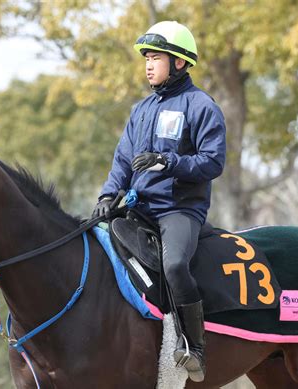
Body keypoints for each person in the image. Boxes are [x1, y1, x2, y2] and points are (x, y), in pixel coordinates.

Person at [92, 21, 226, 382]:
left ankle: (193, 346)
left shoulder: (201, 106)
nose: (148, 65)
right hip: (139, 209)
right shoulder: (141, 110)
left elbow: (214, 162)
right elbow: (122, 160)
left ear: (179, 63)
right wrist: (108, 195)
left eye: (156, 57)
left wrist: (170, 162)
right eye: (146, 58)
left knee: (175, 265)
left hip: (179, 210)